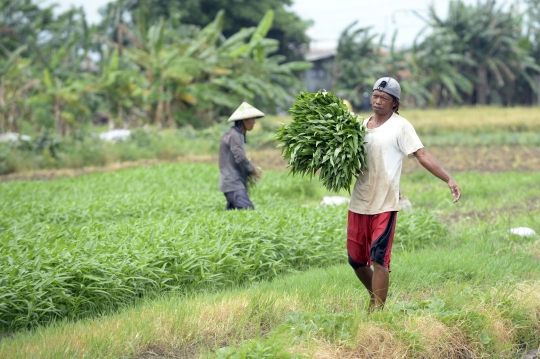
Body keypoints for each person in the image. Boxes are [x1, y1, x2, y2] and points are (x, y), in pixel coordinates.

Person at [347, 77, 461, 311]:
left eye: (384, 99)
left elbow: (422, 154)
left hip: (386, 203)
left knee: (379, 259)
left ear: (394, 103)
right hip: (359, 201)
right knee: (356, 260)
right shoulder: (359, 126)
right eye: (375, 96)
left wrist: (448, 178)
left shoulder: (401, 127)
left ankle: (377, 313)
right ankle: (376, 296)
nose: (377, 102)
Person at [218, 102, 264, 210]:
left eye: (254, 119)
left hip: (236, 182)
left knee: (232, 215)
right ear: (242, 121)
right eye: (251, 119)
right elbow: (240, 157)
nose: (254, 122)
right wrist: (251, 169)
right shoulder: (233, 135)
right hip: (233, 183)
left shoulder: (239, 135)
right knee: (248, 210)